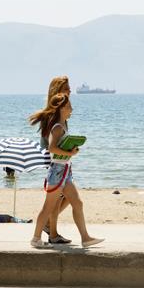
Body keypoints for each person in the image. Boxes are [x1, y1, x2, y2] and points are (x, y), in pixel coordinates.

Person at [29, 93, 103, 249]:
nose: (71, 109)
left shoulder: (62, 126)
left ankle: (85, 238)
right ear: (61, 108)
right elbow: (51, 148)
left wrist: (70, 149)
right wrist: (71, 153)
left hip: (65, 171)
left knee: (77, 202)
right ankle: (36, 239)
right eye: (69, 107)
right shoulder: (57, 127)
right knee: (48, 207)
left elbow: (58, 147)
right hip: (57, 171)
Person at [39, 76, 73, 244]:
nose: (70, 90)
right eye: (67, 88)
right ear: (58, 90)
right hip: (54, 160)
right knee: (59, 197)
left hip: (62, 158)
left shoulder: (62, 111)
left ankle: (49, 226)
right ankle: (52, 233)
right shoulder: (53, 113)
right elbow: (49, 141)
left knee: (66, 197)